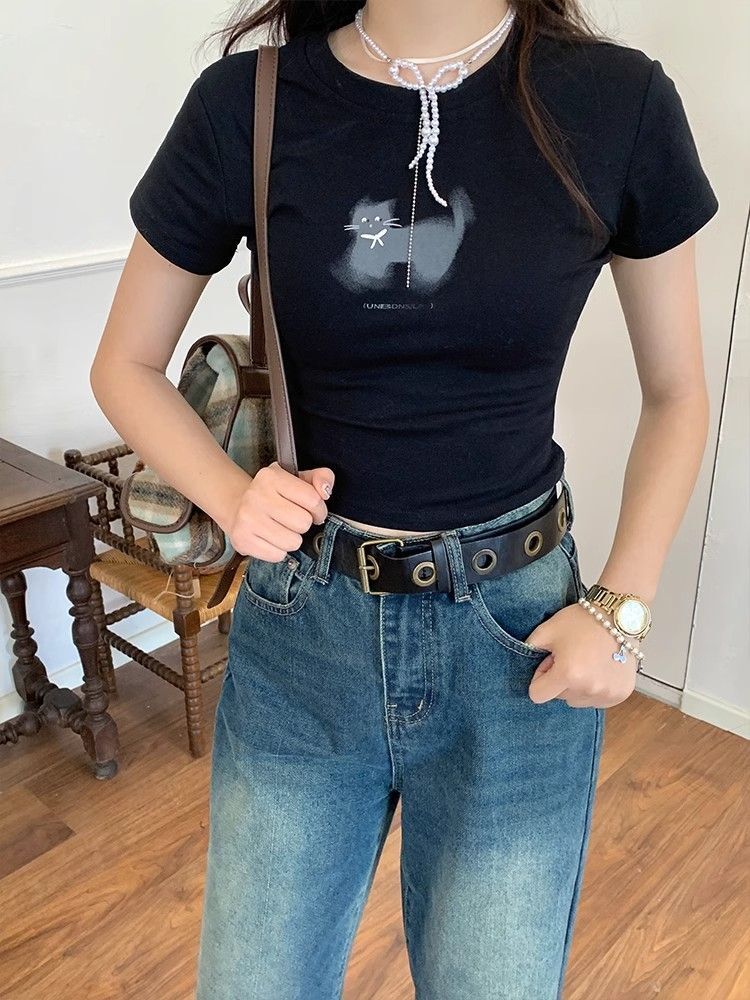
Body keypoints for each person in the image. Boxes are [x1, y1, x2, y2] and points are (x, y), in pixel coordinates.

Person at [90, 1, 719, 997]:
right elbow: (124, 363)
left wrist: (624, 606)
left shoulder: (616, 102)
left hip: (517, 640)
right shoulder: (247, 104)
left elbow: (679, 393)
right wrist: (231, 494)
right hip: (304, 633)